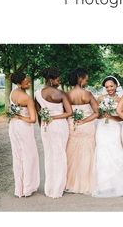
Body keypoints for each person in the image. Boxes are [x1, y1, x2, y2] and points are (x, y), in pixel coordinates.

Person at [92, 76, 123, 198]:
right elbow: (97, 115)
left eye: (111, 86)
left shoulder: (120, 99)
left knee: (115, 151)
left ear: (116, 86)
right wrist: (103, 115)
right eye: (107, 87)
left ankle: (118, 182)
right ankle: (104, 184)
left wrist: (112, 116)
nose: (109, 89)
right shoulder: (100, 98)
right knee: (102, 152)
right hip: (102, 127)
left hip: (114, 127)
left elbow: (121, 116)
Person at [35, 67, 72, 198]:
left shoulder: (37, 93)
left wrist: (43, 125)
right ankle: (58, 189)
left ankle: (49, 188)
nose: (59, 80)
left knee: (49, 156)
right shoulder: (60, 93)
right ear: (51, 80)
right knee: (60, 155)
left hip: (46, 127)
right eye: (57, 78)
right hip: (59, 125)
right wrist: (55, 117)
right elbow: (69, 112)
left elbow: (39, 113)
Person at [65, 68, 99, 194]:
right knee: (88, 153)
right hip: (87, 126)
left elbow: (66, 112)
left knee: (72, 153)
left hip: (72, 126)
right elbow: (97, 112)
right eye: (85, 79)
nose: (86, 81)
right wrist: (84, 121)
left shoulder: (67, 95)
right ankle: (87, 182)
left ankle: (71, 182)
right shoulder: (88, 94)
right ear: (80, 78)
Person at [8, 71, 40, 197]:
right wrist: (21, 116)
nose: (29, 81)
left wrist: (16, 116)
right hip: (24, 127)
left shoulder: (12, 93)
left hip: (13, 126)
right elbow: (32, 119)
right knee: (29, 155)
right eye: (26, 79)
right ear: (20, 82)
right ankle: (28, 188)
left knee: (17, 156)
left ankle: (19, 189)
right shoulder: (27, 98)